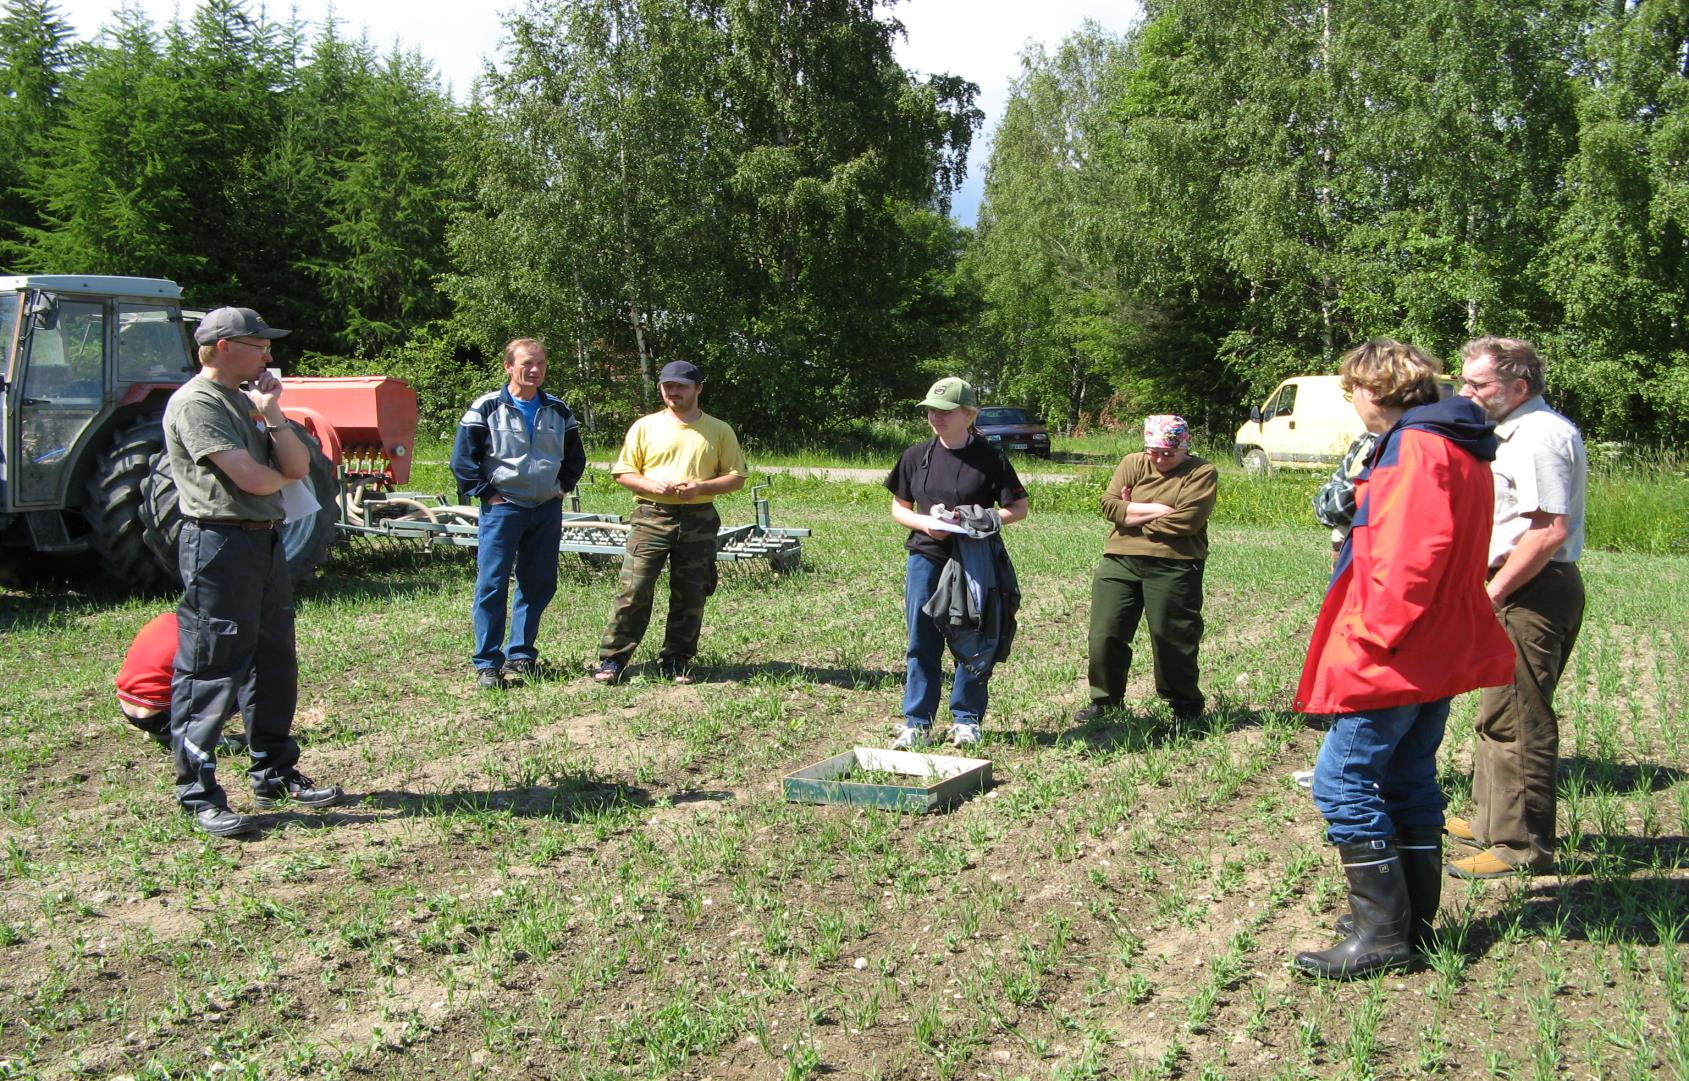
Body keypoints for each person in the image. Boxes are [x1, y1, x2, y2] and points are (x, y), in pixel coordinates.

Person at [1291, 339, 1514, 979]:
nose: (1352, 403)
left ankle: (1382, 935)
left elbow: (1412, 558)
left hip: (1397, 650)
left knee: (1342, 782)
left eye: (1351, 391)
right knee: (1408, 778)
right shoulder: (1458, 443)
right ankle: (1410, 920)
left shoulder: (1417, 446)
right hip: (1433, 643)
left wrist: (1370, 636)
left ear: (1372, 390)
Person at [163, 305, 343, 839]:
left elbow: (296, 468)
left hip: (263, 543)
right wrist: (271, 471)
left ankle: (274, 772)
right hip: (219, 544)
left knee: (272, 660)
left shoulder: (247, 401)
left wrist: (273, 413)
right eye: (257, 344)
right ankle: (198, 794)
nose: (268, 354)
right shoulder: (197, 403)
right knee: (212, 665)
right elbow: (256, 480)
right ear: (222, 347)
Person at [1445, 336, 1588, 879]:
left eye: (1478, 383)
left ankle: (1520, 846)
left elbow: (1548, 530)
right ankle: (1489, 822)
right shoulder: (1512, 432)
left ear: (1518, 386)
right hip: (1518, 585)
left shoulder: (1538, 436)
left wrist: (1494, 591)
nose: (1466, 391)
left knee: (1521, 721)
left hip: (1530, 590)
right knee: (1496, 713)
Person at [885, 377, 1028, 748]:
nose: (936, 417)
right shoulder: (915, 456)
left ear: (968, 414)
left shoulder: (991, 458)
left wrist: (984, 521)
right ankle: (917, 722)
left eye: (945, 411)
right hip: (926, 557)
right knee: (922, 639)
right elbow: (899, 507)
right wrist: (926, 525)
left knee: (973, 637)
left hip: (973, 560)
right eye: (931, 410)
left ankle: (966, 719)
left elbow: (1018, 508)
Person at [590, 360, 748, 685]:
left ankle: (677, 661)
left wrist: (702, 488)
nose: (673, 392)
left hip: (699, 519)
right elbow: (623, 472)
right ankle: (613, 660)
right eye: (667, 386)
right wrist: (650, 485)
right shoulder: (645, 426)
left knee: (691, 593)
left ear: (698, 388)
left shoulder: (719, 430)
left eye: (681, 386)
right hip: (652, 516)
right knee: (634, 589)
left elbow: (736, 477)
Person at [450, 339, 588, 690]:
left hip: (545, 508)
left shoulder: (558, 410)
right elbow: (462, 461)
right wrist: (489, 495)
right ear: (508, 367)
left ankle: (521, 655)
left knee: (538, 582)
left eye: (540, 363)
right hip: (504, 508)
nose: (535, 370)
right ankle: (487, 663)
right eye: (527, 363)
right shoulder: (486, 407)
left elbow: (575, 458)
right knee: (492, 584)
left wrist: (560, 488)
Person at [1077, 415, 1217, 723]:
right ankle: (1106, 701)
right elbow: (1109, 506)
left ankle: (1184, 706)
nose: (1160, 458)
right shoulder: (1132, 463)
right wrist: (1158, 509)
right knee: (1105, 634)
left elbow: (1186, 521)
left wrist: (1133, 514)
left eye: (1169, 452)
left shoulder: (1201, 471)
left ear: (1184, 447)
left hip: (1176, 563)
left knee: (1172, 637)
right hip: (1119, 560)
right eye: (1154, 451)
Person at [117, 612, 244, 754]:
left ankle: (165, 734)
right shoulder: (212, 634)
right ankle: (199, 738)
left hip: (130, 709)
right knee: (245, 677)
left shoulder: (166, 619)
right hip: (163, 715)